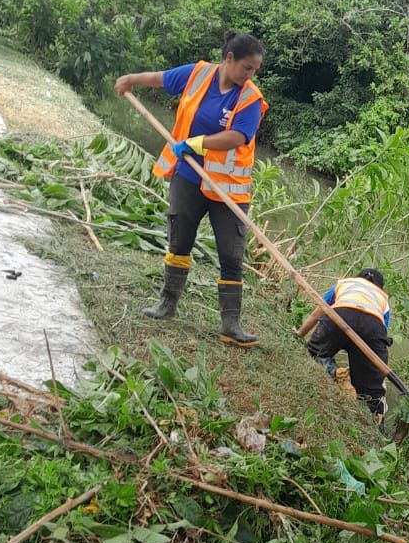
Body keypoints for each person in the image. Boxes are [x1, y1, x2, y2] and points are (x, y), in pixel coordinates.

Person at [114, 31, 268, 347]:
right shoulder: (198, 74)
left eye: (255, 70)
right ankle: (166, 303)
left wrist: (196, 143)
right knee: (180, 238)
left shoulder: (250, 99)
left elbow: (237, 138)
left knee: (230, 254)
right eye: (247, 68)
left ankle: (230, 323)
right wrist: (130, 79)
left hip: (228, 191)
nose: (251, 75)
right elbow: (161, 78)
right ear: (229, 59)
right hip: (188, 176)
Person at [298, 268, 392, 418]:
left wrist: (299, 334)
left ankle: (335, 373)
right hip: (372, 326)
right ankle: (373, 420)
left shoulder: (345, 284)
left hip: (340, 315)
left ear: (358, 278)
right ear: (380, 287)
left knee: (314, 353)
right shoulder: (382, 299)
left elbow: (318, 312)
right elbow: (381, 336)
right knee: (371, 389)